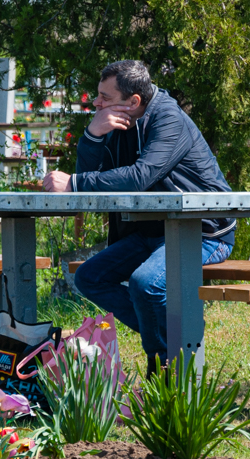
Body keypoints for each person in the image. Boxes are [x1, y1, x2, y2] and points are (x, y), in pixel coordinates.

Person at [43, 60, 235, 378]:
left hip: (201, 231)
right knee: (89, 278)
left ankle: (162, 369)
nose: (97, 103)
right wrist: (92, 134)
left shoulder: (169, 118)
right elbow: (90, 179)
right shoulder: (117, 122)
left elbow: (140, 177)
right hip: (151, 233)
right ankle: (178, 332)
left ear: (133, 101)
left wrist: (74, 183)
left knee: (144, 284)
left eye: (105, 97)